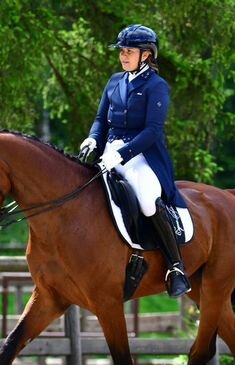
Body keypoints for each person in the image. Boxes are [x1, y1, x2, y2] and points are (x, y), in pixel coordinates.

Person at [79, 24, 191, 297]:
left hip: (141, 155)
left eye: (129, 51)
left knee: (147, 199)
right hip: (109, 151)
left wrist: (123, 153)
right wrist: (93, 139)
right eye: (121, 52)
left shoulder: (156, 86)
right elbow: (100, 119)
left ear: (146, 55)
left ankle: (176, 267)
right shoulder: (115, 81)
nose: (123, 56)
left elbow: (153, 131)